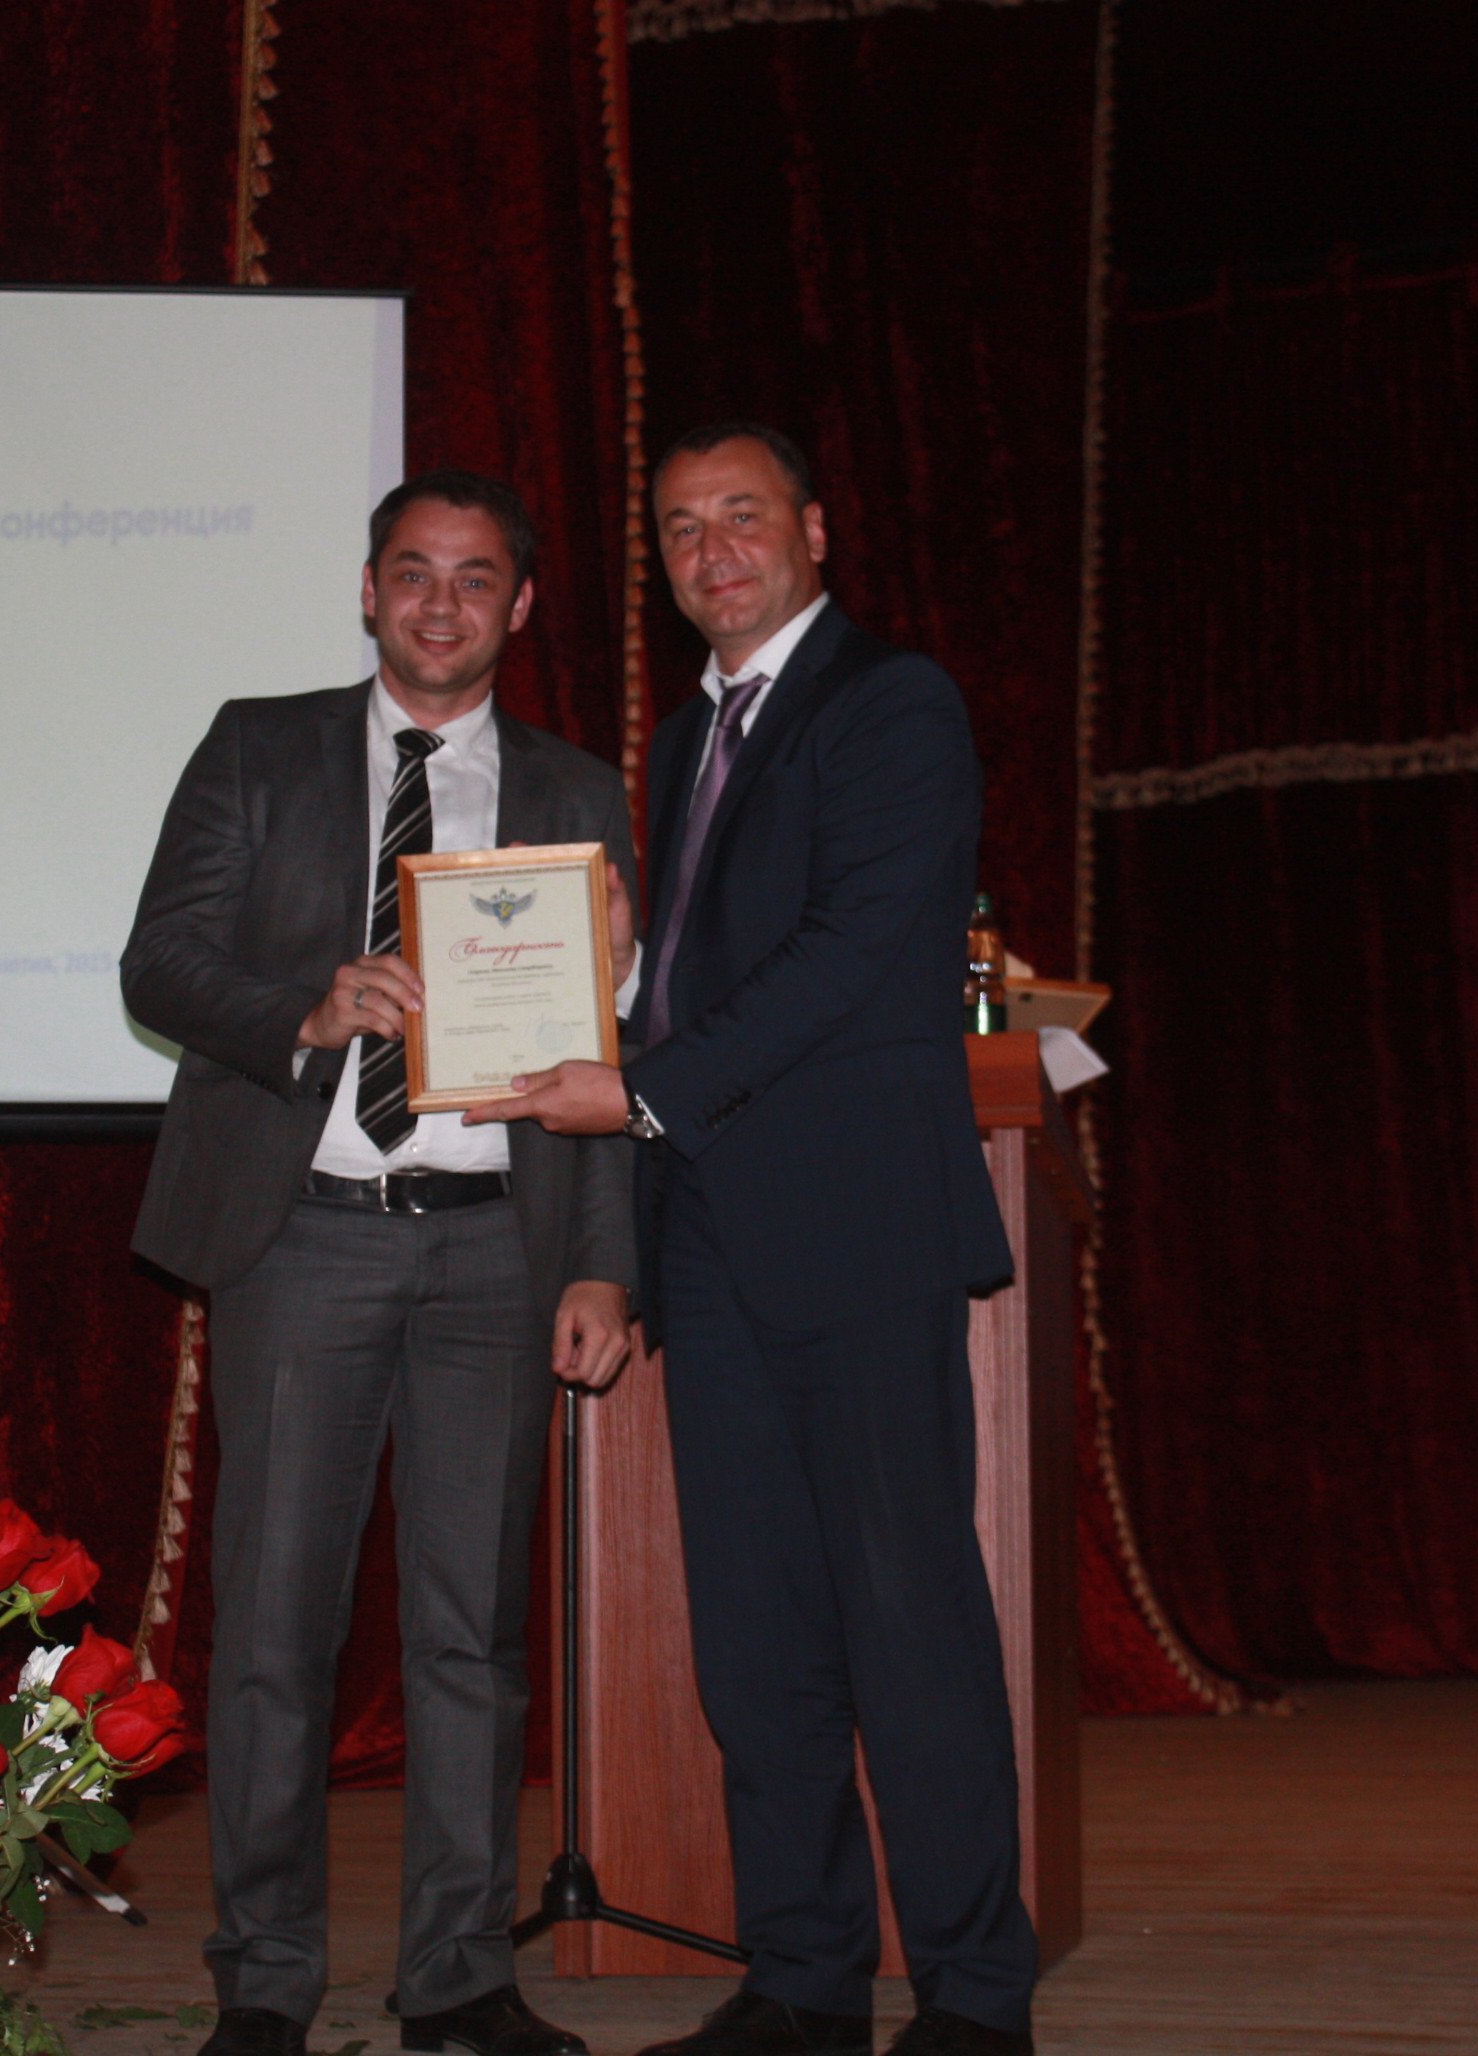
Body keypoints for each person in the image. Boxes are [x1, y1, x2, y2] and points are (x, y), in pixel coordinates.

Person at [472, 424, 1040, 2056]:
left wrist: (641, 1088)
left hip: (856, 1235)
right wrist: (611, 985)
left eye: (741, 516)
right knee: (758, 1643)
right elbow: (706, 980)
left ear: (813, 528)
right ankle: (802, 1982)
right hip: (714, 1240)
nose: (711, 551)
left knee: (908, 1627)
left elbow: (859, 950)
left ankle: (974, 2000)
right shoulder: (686, 739)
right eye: (679, 528)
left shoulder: (892, 703)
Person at [122, 470, 636, 2056]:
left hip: (498, 1251)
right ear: (367, 590)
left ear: (519, 606)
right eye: (413, 573)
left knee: (473, 1639)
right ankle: (265, 1985)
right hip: (307, 1240)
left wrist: (602, 1265)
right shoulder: (258, 746)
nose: (440, 604)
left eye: (475, 578)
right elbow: (160, 963)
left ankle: (459, 1978)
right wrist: (305, 1006)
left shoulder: (578, 791)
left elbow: (614, 1050)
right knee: (275, 1634)